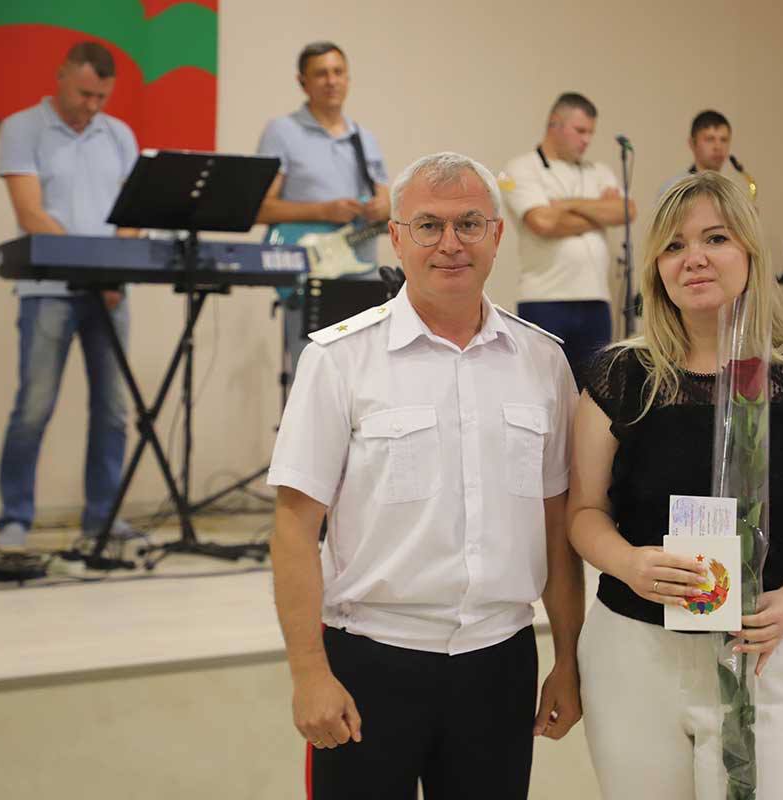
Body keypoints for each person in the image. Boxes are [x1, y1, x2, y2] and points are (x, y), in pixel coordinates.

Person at [267, 152, 584, 799]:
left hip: (500, 661)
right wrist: (309, 673)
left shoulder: (543, 361)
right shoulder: (339, 359)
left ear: (497, 234)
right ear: (396, 237)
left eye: (469, 224)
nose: (450, 244)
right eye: (428, 226)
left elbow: (557, 524)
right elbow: (294, 528)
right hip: (370, 661)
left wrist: (569, 660)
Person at [568, 171, 783, 799]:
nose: (694, 258)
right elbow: (584, 513)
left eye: (715, 238)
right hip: (635, 656)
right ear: (656, 268)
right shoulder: (621, 376)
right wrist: (627, 563)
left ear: (750, 251)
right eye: (674, 246)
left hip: (764, 654)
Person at [0, 42, 139, 548]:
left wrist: (112, 275)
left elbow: (132, 215)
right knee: (34, 406)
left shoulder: (119, 135)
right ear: (60, 77)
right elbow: (30, 212)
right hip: (48, 290)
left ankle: (103, 519)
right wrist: (93, 269)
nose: (91, 106)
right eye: (83, 94)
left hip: (111, 294)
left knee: (113, 410)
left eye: (101, 97)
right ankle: (15, 519)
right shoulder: (23, 128)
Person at [256, 41, 390, 371]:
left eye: (338, 72)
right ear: (302, 82)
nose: (331, 81)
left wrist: (383, 208)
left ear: (348, 78)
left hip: (362, 274)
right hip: (311, 274)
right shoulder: (282, 131)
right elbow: (260, 209)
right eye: (321, 74)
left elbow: (386, 204)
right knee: (312, 376)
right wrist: (322, 211)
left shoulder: (364, 138)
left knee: (364, 379)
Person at [500, 92, 635, 384]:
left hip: (596, 301)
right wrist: (598, 213)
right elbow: (542, 222)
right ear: (555, 123)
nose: (587, 140)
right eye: (580, 130)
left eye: (591, 133)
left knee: (595, 390)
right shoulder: (521, 168)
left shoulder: (598, 171)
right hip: (544, 300)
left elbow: (626, 211)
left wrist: (566, 204)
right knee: (544, 389)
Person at [659, 110, 744, 196]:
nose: (718, 147)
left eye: (724, 140)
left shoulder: (731, 192)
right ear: (692, 143)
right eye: (710, 139)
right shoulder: (675, 190)